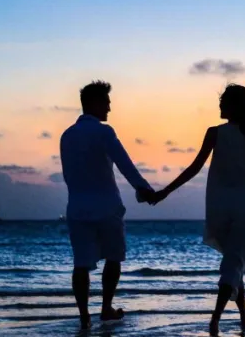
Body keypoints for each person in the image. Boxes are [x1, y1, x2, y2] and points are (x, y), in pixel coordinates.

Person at [149, 84, 245, 336]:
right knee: (233, 263)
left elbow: (194, 168)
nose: (220, 106)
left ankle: (243, 316)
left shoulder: (214, 133)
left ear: (235, 105)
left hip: (218, 207)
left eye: (224, 102)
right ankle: (215, 319)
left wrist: (165, 192)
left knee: (234, 261)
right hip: (244, 205)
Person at [60, 80, 155, 330]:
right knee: (113, 258)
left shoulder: (66, 136)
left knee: (81, 264)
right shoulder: (104, 132)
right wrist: (143, 189)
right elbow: (124, 163)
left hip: (77, 207)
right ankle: (105, 308)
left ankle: (84, 316)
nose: (109, 108)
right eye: (106, 102)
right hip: (106, 206)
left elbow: (68, 173)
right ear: (93, 103)